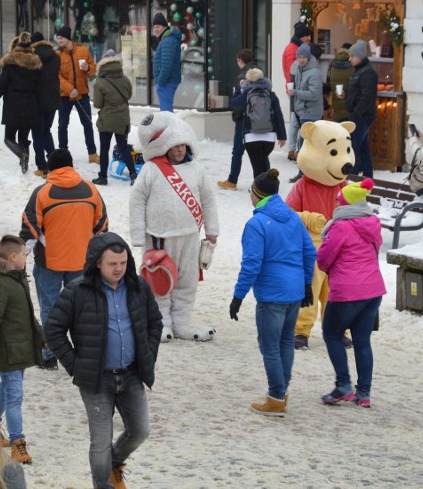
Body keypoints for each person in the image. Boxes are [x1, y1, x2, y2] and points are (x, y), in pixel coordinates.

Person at [45, 232, 163, 489]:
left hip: (132, 374)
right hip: (96, 380)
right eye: (112, 263)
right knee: (100, 442)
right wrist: (75, 365)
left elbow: (155, 323)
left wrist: (148, 356)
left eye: (122, 262)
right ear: (98, 262)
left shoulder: (139, 286)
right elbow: (52, 330)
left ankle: (114, 462)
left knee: (140, 430)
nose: (118, 268)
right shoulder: (77, 290)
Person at [229, 169, 316, 417]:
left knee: (270, 347)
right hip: (295, 291)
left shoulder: (256, 224)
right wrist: (307, 284)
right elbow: (309, 252)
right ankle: (282, 391)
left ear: (256, 194)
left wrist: (238, 296)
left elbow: (252, 264)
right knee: (286, 341)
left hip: (272, 294)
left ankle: (276, 397)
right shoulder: (292, 217)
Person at [130, 112, 219, 341]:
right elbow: (137, 199)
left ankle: (183, 322)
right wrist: (138, 234)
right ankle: (161, 323)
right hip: (159, 236)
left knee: (187, 281)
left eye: (183, 145)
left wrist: (212, 231)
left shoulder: (196, 169)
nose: (180, 150)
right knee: (160, 280)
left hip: (189, 234)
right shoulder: (151, 169)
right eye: (175, 146)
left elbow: (208, 199)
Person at [20, 149, 108, 369]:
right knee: (80, 309)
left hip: (49, 262)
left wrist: (21, 257)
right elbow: (102, 224)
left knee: (50, 308)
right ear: (71, 166)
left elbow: (30, 227)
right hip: (82, 263)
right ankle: (81, 354)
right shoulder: (90, 189)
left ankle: (50, 356)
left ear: (51, 167)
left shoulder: (43, 193)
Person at [316, 178, 386, 408]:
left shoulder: (341, 226)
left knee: (331, 334)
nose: (336, 202)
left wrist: (328, 268)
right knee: (362, 341)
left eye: (339, 200)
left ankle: (343, 385)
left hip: (347, 291)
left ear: (345, 204)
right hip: (373, 289)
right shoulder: (373, 223)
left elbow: (324, 258)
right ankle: (364, 393)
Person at [0, 235, 45, 466]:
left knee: (6, 389)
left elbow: (27, 315)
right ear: (13, 256)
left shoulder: (19, 280)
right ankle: (18, 444)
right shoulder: (0, 285)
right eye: (25, 254)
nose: (27, 258)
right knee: (14, 397)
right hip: (7, 353)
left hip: (19, 350)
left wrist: (42, 338)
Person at [0, 32, 42, 174]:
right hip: (30, 104)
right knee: (24, 138)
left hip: (13, 105)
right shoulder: (36, 66)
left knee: (9, 138)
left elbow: (1, 85)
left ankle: (22, 155)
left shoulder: (10, 65)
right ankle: (24, 164)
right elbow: (40, 87)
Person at [227, 68, 287, 179]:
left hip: (251, 137)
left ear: (248, 80)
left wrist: (240, 87)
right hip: (269, 138)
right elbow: (278, 116)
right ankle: (266, 187)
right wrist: (282, 136)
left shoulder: (246, 94)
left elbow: (233, 102)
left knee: (257, 167)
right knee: (262, 163)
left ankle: (260, 190)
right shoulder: (271, 94)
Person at [55, 26, 99, 163]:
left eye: (61, 37)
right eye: (58, 38)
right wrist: (69, 89)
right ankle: (63, 152)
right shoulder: (57, 55)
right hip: (64, 96)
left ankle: (92, 153)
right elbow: (57, 76)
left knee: (87, 123)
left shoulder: (83, 50)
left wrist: (88, 68)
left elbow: (93, 69)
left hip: (82, 94)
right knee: (62, 125)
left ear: (68, 38)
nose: (59, 40)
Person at [92, 49, 137, 186]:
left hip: (106, 120)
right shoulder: (125, 80)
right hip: (122, 119)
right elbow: (128, 96)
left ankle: (103, 177)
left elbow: (98, 104)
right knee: (123, 148)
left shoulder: (99, 82)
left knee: (104, 149)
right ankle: (133, 174)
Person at [217, 49, 257, 190]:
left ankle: (232, 180)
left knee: (238, 151)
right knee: (257, 152)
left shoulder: (241, 75)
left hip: (243, 118)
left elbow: (237, 100)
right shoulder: (259, 72)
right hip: (259, 118)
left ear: (240, 60)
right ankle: (261, 183)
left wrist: (236, 114)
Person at [287, 43, 323, 183]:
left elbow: (314, 94)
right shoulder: (300, 70)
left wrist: (296, 92)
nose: (301, 60)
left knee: (304, 144)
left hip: (311, 112)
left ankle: (304, 174)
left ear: (308, 57)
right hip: (303, 111)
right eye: (299, 57)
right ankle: (304, 173)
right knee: (304, 144)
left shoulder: (314, 72)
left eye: (303, 57)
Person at [30, 32, 61, 177]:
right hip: (53, 100)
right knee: (46, 131)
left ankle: (42, 167)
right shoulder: (55, 56)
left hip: (37, 101)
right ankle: (55, 163)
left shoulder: (32, 58)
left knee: (37, 134)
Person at [346, 39, 378, 178]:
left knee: (354, 145)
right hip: (359, 114)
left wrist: (356, 112)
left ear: (359, 56)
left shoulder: (367, 72)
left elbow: (367, 96)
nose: (350, 58)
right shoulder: (360, 70)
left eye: (352, 56)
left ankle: (353, 175)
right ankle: (367, 175)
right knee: (362, 146)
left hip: (362, 115)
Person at [282, 22, 311, 162]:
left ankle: (294, 149)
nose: (309, 38)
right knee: (295, 119)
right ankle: (293, 149)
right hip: (295, 89)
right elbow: (291, 72)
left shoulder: (294, 47)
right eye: (307, 35)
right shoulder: (294, 50)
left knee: (296, 118)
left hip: (294, 89)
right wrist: (293, 89)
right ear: (301, 36)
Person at [151, 12, 182, 112]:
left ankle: (170, 128)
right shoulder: (166, 40)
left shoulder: (168, 41)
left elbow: (167, 64)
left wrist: (160, 82)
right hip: (167, 81)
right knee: (165, 112)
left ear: (164, 27)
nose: (156, 29)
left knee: (166, 113)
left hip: (167, 82)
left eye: (158, 26)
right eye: (154, 27)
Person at [326, 43, 354, 122]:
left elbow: (328, 80)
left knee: (340, 129)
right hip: (350, 105)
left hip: (336, 102)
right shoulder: (353, 65)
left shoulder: (333, 64)